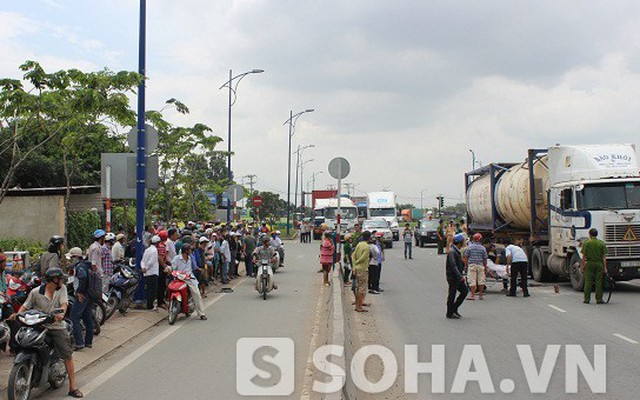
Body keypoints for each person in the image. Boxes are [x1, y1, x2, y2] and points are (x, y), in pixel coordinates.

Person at [10, 267, 83, 398]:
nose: (62, 281)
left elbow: (63, 306)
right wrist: (17, 314)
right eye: (60, 278)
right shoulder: (36, 292)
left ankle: (73, 387)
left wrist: (60, 314)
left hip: (56, 326)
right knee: (21, 342)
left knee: (67, 354)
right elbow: (25, 306)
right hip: (38, 326)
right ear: (54, 279)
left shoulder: (62, 289)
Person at [169, 244, 207, 320]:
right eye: (189, 250)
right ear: (186, 251)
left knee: (196, 294)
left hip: (189, 278)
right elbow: (172, 267)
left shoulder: (190, 258)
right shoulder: (177, 258)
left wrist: (199, 269)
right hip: (179, 278)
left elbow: (193, 266)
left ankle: (201, 313)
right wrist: (168, 269)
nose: (191, 251)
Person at [69, 255, 94, 351]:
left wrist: (80, 291)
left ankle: (79, 342)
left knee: (73, 318)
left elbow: (82, 278)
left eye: (72, 258)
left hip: (83, 295)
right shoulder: (86, 265)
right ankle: (88, 342)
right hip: (89, 294)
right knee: (87, 318)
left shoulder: (80, 267)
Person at [580, 228, 607, 304]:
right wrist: (605, 267)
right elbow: (604, 257)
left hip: (589, 264)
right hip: (599, 264)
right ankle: (599, 299)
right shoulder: (601, 243)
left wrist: (582, 267)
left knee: (588, 281)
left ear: (590, 234)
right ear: (596, 234)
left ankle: (587, 299)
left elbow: (584, 257)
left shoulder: (586, 243)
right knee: (598, 282)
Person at [446, 233, 468, 319]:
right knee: (452, 294)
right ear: (459, 242)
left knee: (464, 291)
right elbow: (453, 266)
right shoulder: (452, 252)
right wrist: (460, 276)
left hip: (457, 276)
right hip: (453, 277)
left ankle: (454, 308)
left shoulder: (457, 251)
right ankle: (450, 312)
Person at [352, 230, 373, 312]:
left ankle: (358, 305)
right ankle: (359, 306)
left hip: (357, 268)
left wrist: (354, 266)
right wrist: (358, 262)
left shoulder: (359, 244)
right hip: (363, 269)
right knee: (362, 289)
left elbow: (353, 256)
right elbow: (363, 258)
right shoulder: (367, 247)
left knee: (358, 288)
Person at [464, 233, 488, 300]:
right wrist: (485, 267)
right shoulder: (483, 248)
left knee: (472, 281)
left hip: (472, 265)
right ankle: (480, 295)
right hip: (480, 265)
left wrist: (466, 266)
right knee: (481, 281)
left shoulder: (469, 247)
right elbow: (485, 258)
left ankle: (473, 295)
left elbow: (466, 257)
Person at [141, 235, 160, 310]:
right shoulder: (155, 250)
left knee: (148, 289)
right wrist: (146, 268)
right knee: (152, 290)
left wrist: (143, 268)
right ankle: (150, 305)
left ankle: (148, 304)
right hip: (153, 272)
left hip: (146, 273)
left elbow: (142, 260)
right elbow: (152, 261)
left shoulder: (147, 250)